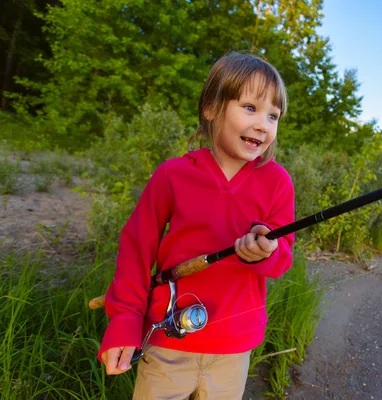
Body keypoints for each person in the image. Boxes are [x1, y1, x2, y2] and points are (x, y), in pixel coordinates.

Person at [98, 51, 295, 400]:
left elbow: (282, 261)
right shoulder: (173, 175)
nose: (263, 124)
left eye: (273, 115)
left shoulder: (278, 182)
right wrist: (125, 320)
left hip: (235, 350)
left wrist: (264, 253)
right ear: (211, 108)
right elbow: (136, 249)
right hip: (166, 342)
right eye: (249, 107)